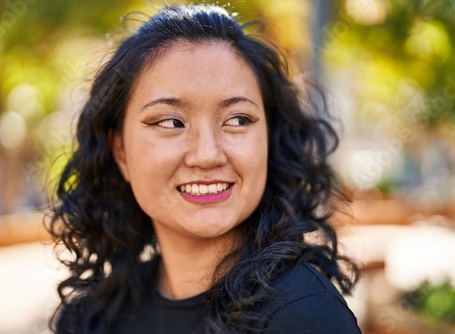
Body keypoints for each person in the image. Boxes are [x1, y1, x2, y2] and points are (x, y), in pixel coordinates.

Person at [48, 4, 361, 333]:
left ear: (269, 140)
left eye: (238, 120)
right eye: (171, 122)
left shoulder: (304, 316)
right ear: (121, 151)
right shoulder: (91, 316)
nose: (208, 154)